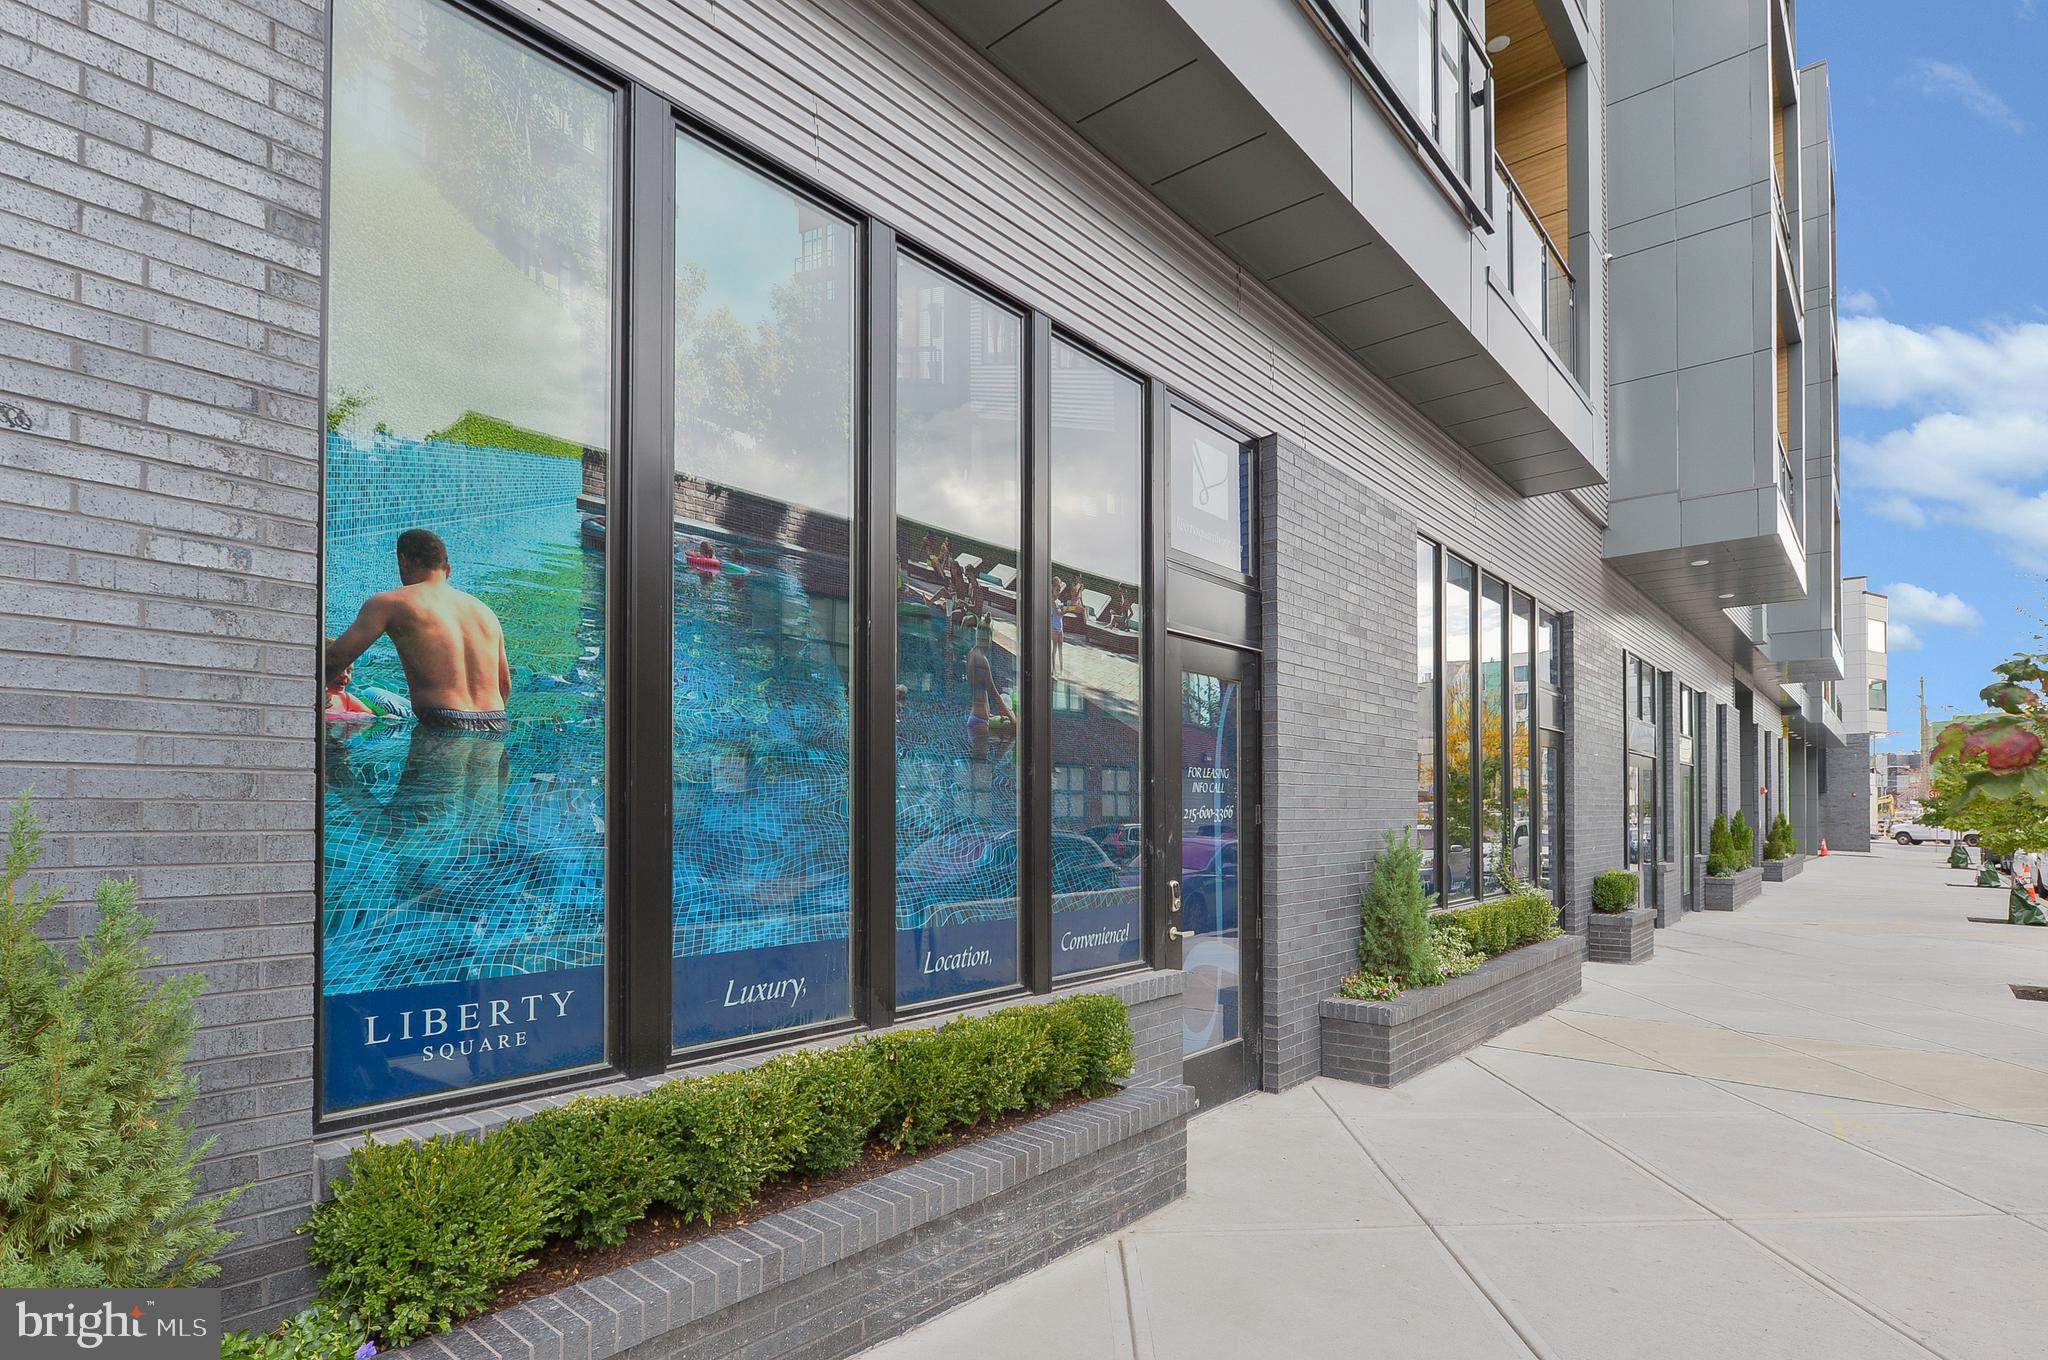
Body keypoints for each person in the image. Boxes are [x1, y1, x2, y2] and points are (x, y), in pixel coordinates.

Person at [325, 528, 511, 733]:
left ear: (403, 561)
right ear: (447, 569)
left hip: (443, 721)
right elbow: (504, 684)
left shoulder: (391, 602)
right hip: (495, 722)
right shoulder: (484, 612)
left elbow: (336, 658)